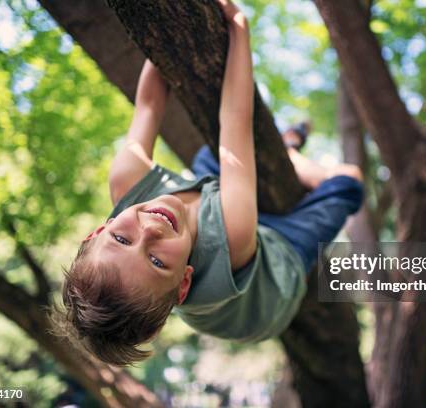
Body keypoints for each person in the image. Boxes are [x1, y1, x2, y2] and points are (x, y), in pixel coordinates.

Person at [52, 0, 364, 367]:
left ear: (98, 231)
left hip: (224, 211)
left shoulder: (127, 182)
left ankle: (288, 146)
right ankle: (292, 154)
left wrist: (163, 38)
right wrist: (239, 27)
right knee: (349, 182)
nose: (150, 230)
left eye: (121, 239)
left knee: (214, 153)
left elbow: (149, 103)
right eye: (155, 261)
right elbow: (236, 117)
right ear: (184, 283)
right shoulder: (232, 235)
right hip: (272, 284)